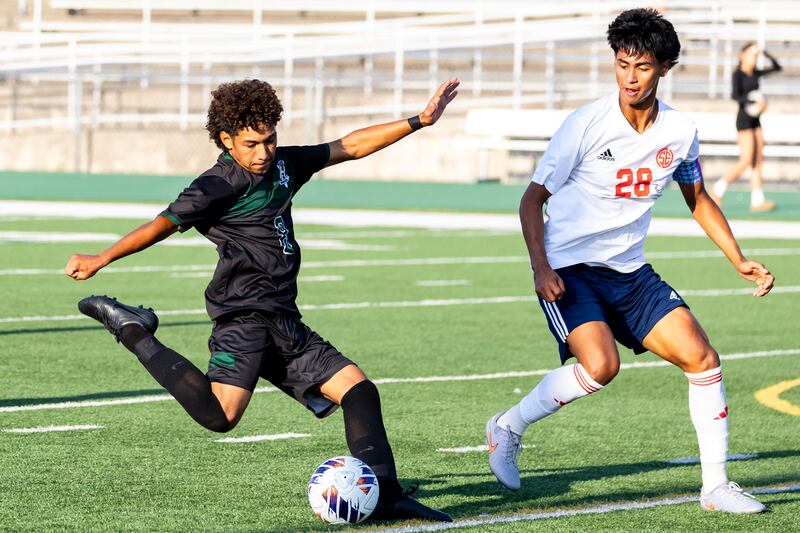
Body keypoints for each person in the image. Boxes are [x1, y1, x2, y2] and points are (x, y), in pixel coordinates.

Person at [65, 77, 459, 523]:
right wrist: (102, 257)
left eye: (270, 140)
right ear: (225, 139)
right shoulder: (215, 185)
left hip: (284, 318)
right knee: (220, 417)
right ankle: (132, 328)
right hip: (244, 316)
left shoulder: (285, 166)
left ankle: (385, 495)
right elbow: (163, 223)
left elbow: (348, 145)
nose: (263, 152)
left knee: (359, 391)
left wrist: (419, 121)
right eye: (251, 143)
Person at [485, 9, 774, 514]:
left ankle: (716, 488)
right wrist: (540, 267)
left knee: (703, 359)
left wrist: (738, 259)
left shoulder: (680, 132)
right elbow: (532, 199)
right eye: (622, 65)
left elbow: (698, 198)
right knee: (600, 366)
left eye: (641, 67)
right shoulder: (586, 124)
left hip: (631, 272)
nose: (629, 78)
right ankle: (508, 425)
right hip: (569, 267)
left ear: (664, 67)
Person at [710, 43, 782, 211]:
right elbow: (735, 95)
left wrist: (764, 52)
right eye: (750, 54)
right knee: (746, 159)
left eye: (755, 56)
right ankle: (718, 189)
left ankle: (757, 200)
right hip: (744, 119)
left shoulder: (756, 73)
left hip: (756, 120)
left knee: (758, 159)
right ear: (742, 56)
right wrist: (755, 102)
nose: (753, 58)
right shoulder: (738, 74)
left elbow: (778, 67)